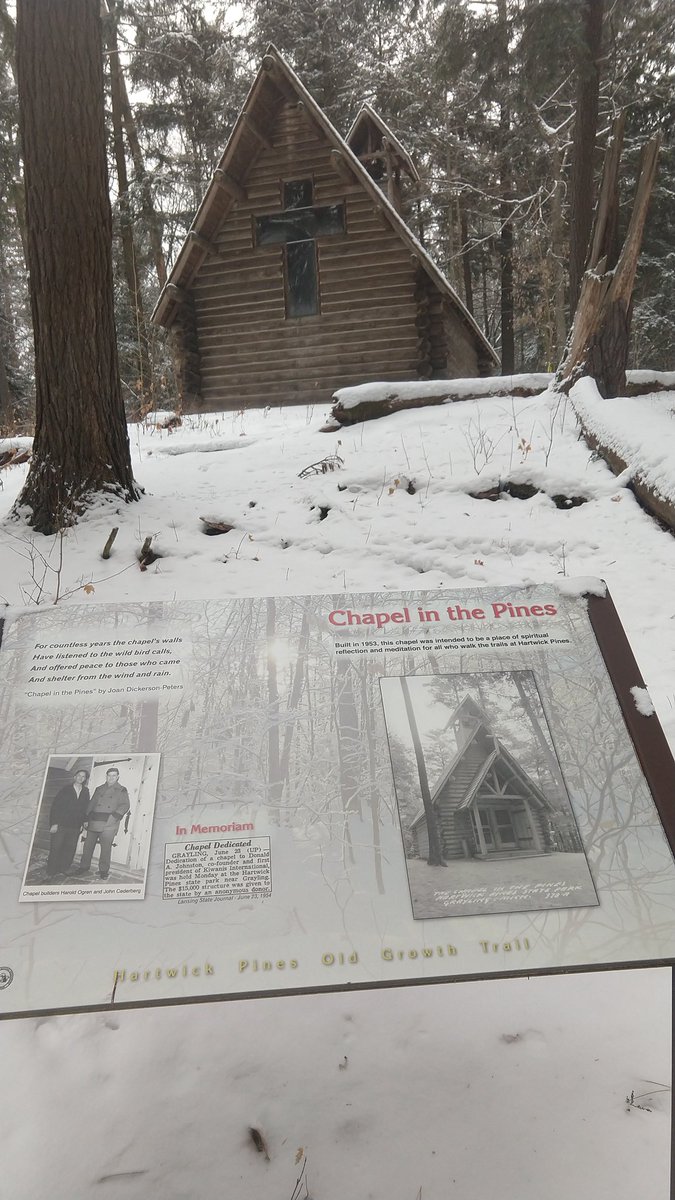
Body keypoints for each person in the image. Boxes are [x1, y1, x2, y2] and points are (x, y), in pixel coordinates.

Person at [77, 767, 130, 880]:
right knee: (87, 846)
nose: (111, 778)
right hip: (94, 821)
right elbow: (91, 804)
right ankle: (83, 867)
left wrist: (113, 818)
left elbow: (125, 805)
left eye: (114, 775)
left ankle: (103, 870)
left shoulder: (121, 790)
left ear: (117, 777)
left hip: (109, 824)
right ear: (106, 776)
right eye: (109, 775)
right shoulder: (99, 788)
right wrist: (86, 818)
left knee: (106, 849)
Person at [43, 768, 90, 880]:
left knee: (70, 848)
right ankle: (51, 871)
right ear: (75, 777)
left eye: (83, 776)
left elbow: (85, 808)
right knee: (56, 847)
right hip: (61, 824)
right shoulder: (66, 789)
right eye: (79, 775)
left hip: (75, 826)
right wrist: (54, 823)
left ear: (85, 779)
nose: (81, 778)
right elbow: (56, 806)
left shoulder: (85, 791)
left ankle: (64, 868)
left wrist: (84, 821)